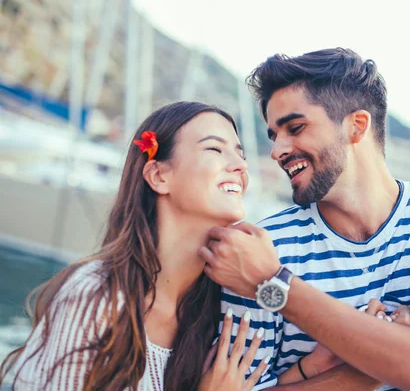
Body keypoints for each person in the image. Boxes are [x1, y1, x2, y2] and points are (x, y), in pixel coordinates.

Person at [199, 48, 410, 391]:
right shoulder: (263, 245)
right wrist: (380, 365)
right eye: (274, 135)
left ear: (357, 126)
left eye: (295, 127)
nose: (277, 151)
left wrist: (273, 284)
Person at [0, 102, 270, 390]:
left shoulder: (226, 311)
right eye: (215, 149)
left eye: (240, 154)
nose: (241, 166)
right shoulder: (96, 296)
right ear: (158, 176)